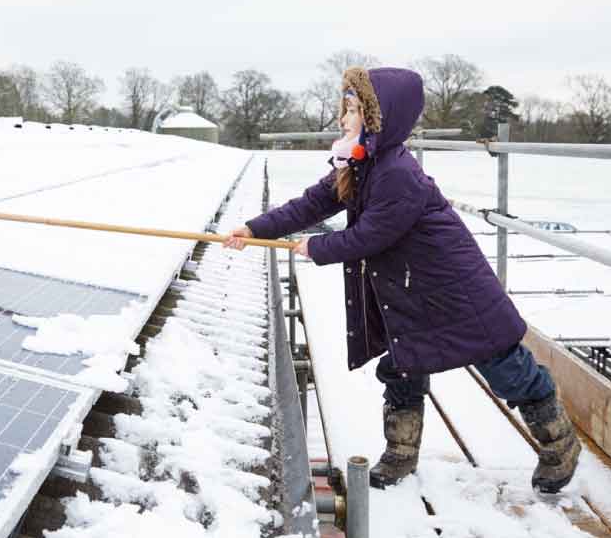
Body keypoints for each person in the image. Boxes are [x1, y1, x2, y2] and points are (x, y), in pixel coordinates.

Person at [224, 67, 581, 492]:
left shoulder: (397, 172)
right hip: (413, 289)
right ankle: (401, 452)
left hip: (454, 289)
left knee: (505, 367)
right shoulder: (359, 163)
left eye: (353, 110)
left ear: (379, 118)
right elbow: (312, 203)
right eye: (345, 109)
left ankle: (560, 444)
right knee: (402, 363)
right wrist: (255, 229)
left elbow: (374, 233)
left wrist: (317, 248)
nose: (344, 119)